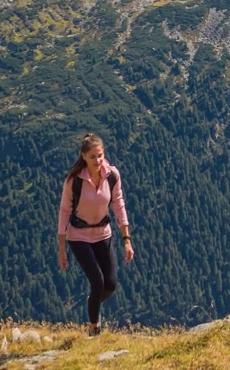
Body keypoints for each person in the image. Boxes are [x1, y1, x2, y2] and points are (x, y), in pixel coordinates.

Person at [57, 133, 133, 335]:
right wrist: (62, 247)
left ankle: (93, 302)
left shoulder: (112, 175)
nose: (97, 160)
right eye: (92, 156)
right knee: (97, 281)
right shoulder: (74, 180)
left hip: (103, 234)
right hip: (78, 237)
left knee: (110, 284)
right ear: (83, 156)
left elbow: (118, 205)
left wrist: (127, 239)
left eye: (100, 155)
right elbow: (64, 211)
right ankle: (94, 329)